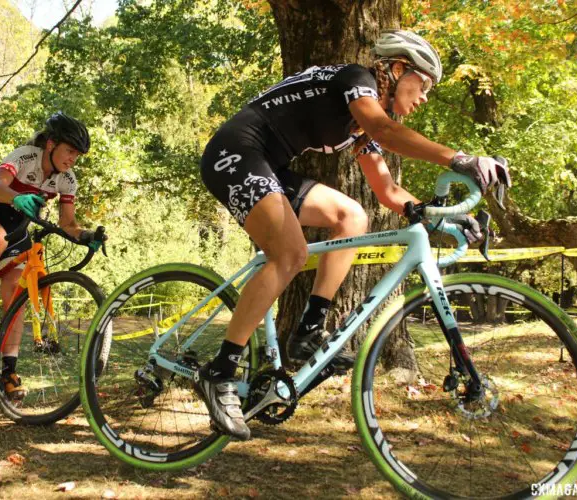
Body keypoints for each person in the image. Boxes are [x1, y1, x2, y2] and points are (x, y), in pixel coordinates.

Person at [195, 29, 511, 440]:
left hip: (270, 167)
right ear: (397, 69)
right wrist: (461, 159)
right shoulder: (354, 80)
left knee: (352, 215)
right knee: (290, 254)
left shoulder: (365, 118)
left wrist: (439, 218)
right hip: (234, 153)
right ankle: (219, 372)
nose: (425, 96)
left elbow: (388, 191)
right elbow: (387, 133)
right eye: (423, 84)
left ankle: (309, 329)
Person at [0, 112, 103, 400]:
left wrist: (87, 236)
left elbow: (68, 224)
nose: (73, 159)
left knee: (17, 299)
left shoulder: (67, 180)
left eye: (78, 155)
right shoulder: (24, 156)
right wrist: (16, 196)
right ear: (51, 144)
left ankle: (8, 371)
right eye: (70, 151)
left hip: (17, 232)